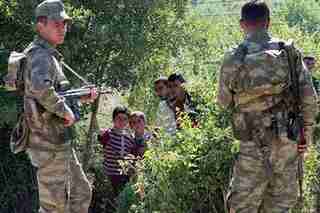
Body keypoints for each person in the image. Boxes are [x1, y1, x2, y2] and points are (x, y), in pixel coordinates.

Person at [217, 1, 318, 213]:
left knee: (242, 206)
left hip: (252, 142)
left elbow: (223, 102)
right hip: (287, 142)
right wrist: (305, 137)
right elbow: (309, 99)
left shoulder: (234, 57)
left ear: (242, 24)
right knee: (280, 205)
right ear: (268, 22)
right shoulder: (289, 52)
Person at [22, 1, 97, 212]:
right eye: (57, 23)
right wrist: (66, 111)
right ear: (40, 25)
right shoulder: (39, 54)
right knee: (54, 207)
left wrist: (81, 98)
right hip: (48, 144)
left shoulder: (50, 56)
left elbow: (54, 94)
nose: (62, 28)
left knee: (81, 193)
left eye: (64, 24)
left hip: (58, 140)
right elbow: (41, 89)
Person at [99, 106, 137, 196]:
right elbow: (101, 138)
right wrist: (101, 134)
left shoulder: (129, 138)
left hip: (125, 175)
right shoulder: (108, 134)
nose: (122, 121)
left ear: (128, 122)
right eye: (119, 118)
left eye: (125, 119)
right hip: (111, 174)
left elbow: (133, 155)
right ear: (113, 119)